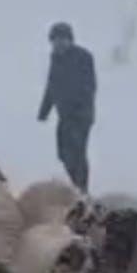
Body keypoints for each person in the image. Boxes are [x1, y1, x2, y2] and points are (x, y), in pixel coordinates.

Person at [38, 22, 96, 193]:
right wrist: (44, 111)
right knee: (63, 154)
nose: (58, 44)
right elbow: (51, 86)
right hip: (65, 116)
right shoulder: (55, 59)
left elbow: (89, 85)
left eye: (62, 40)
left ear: (70, 40)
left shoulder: (83, 57)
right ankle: (76, 185)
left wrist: (78, 105)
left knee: (77, 153)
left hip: (81, 115)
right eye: (55, 41)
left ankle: (82, 189)